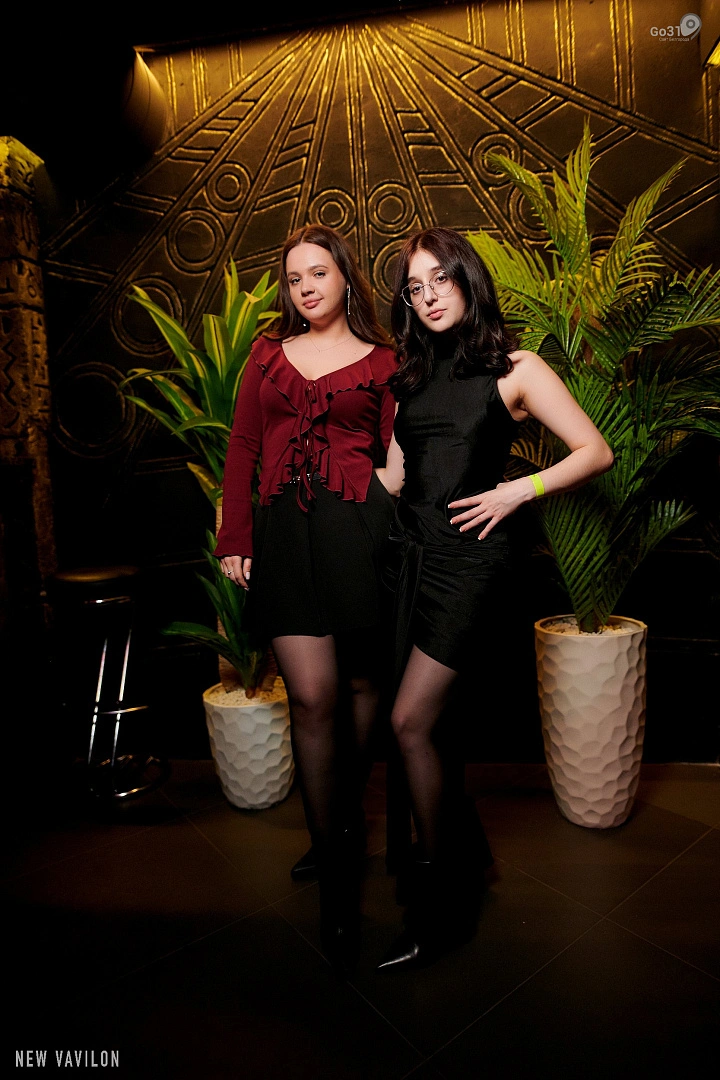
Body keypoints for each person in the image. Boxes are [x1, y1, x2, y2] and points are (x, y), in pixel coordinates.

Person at [374, 227, 614, 971]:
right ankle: (464, 859)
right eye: (415, 288)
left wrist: (517, 491)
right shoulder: (410, 379)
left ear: (467, 279)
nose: (428, 296)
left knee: (409, 721)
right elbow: (393, 478)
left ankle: (441, 905)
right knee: (432, 729)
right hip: (410, 560)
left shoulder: (516, 369)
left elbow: (595, 451)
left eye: (439, 279)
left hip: (470, 567)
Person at [215, 224, 397, 976]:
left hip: (359, 535)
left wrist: (385, 499)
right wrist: (235, 535)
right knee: (315, 698)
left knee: (363, 687)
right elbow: (243, 446)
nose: (306, 288)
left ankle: (339, 828)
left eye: (318, 273)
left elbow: (399, 451)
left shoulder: (385, 361)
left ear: (345, 277)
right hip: (284, 537)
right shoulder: (267, 354)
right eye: (295, 279)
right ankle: (337, 879)